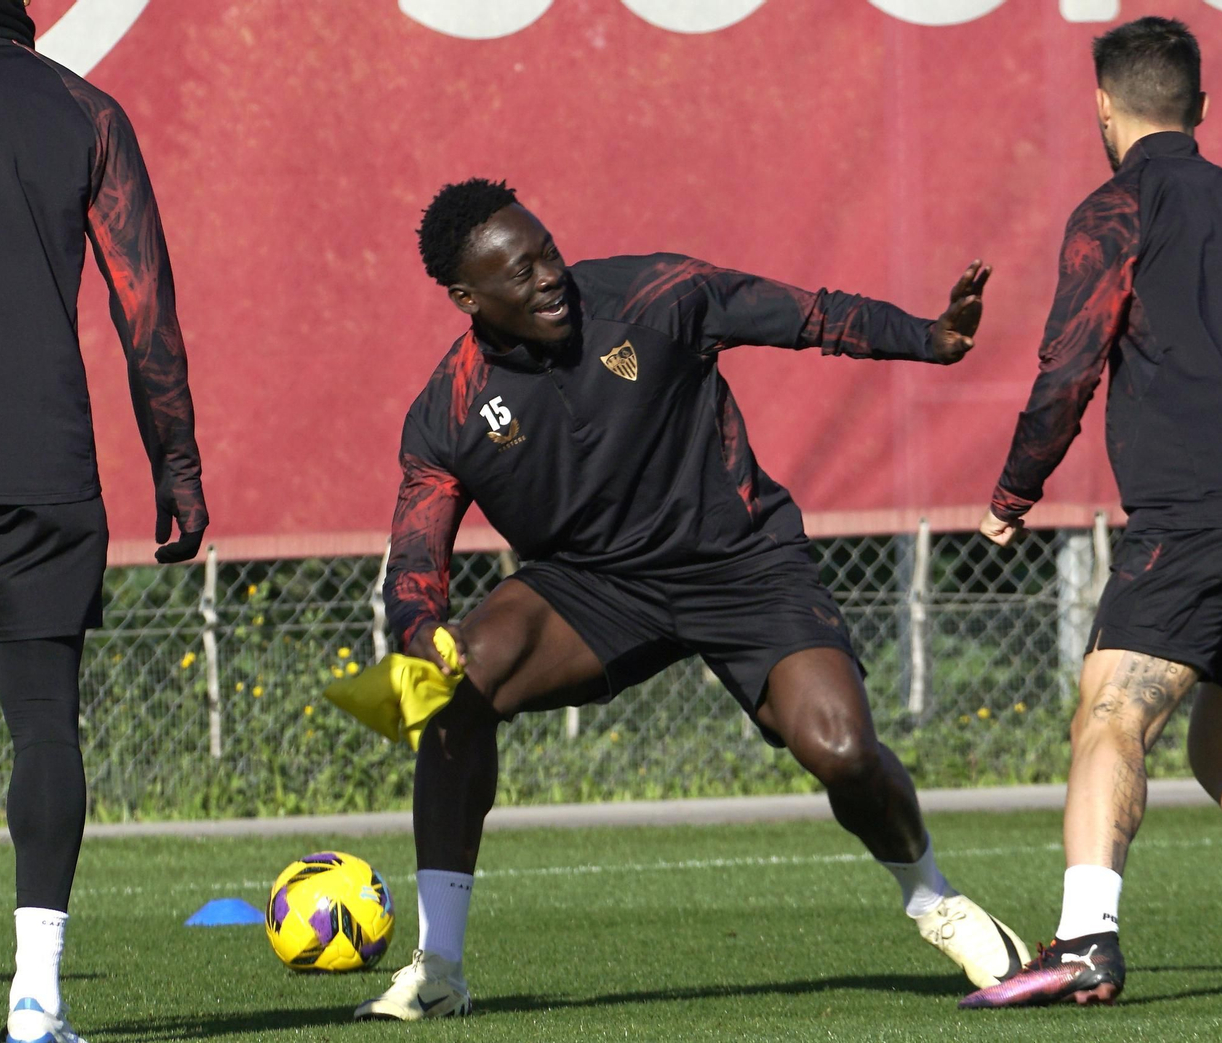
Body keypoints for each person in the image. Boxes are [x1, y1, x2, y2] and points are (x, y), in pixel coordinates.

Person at [356, 178, 1027, 1020]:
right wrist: (417, 628)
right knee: (448, 691)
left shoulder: (651, 295)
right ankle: (439, 967)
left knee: (841, 747)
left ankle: (936, 899)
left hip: (742, 564)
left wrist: (928, 337)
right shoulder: (448, 408)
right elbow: (416, 550)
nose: (549, 277)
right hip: (592, 587)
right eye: (520, 273)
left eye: (549, 252)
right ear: (467, 298)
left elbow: (806, 315)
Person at [962, 16, 1222, 1008]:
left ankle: (1085, 942)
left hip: (1200, 513)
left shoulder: (1116, 210)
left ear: (1101, 105)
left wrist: (1011, 494)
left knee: (1111, 716)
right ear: (1199, 108)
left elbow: (1068, 362)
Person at [0, 2, 208, 1041]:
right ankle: (35, 998)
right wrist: (176, 466)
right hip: (42, 460)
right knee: (45, 718)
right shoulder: (84, 109)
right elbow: (145, 311)